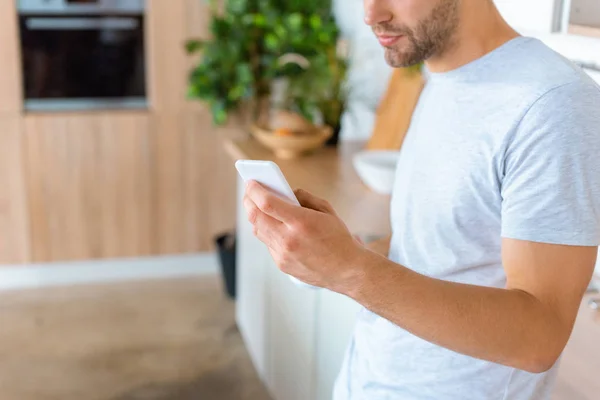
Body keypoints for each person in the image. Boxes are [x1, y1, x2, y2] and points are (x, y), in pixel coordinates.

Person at [242, 0, 600, 399]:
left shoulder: (553, 103)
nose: (370, 14)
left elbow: (539, 337)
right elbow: (435, 248)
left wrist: (351, 270)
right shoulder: (440, 77)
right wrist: (335, 253)